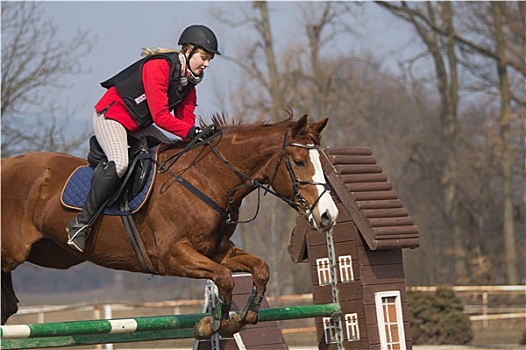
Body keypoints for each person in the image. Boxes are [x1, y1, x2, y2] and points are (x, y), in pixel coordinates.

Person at [66, 24, 221, 252]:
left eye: (209, 59)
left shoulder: (189, 83)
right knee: (120, 162)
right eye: (204, 57)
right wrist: (191, 133)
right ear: (188, 51)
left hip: (138, 125)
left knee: (171, 156)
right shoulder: (158, 67)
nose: (207, 63)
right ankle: (80, 225)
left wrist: (198, 138)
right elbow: (160, 116)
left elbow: (186, 121)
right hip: (112, 116)